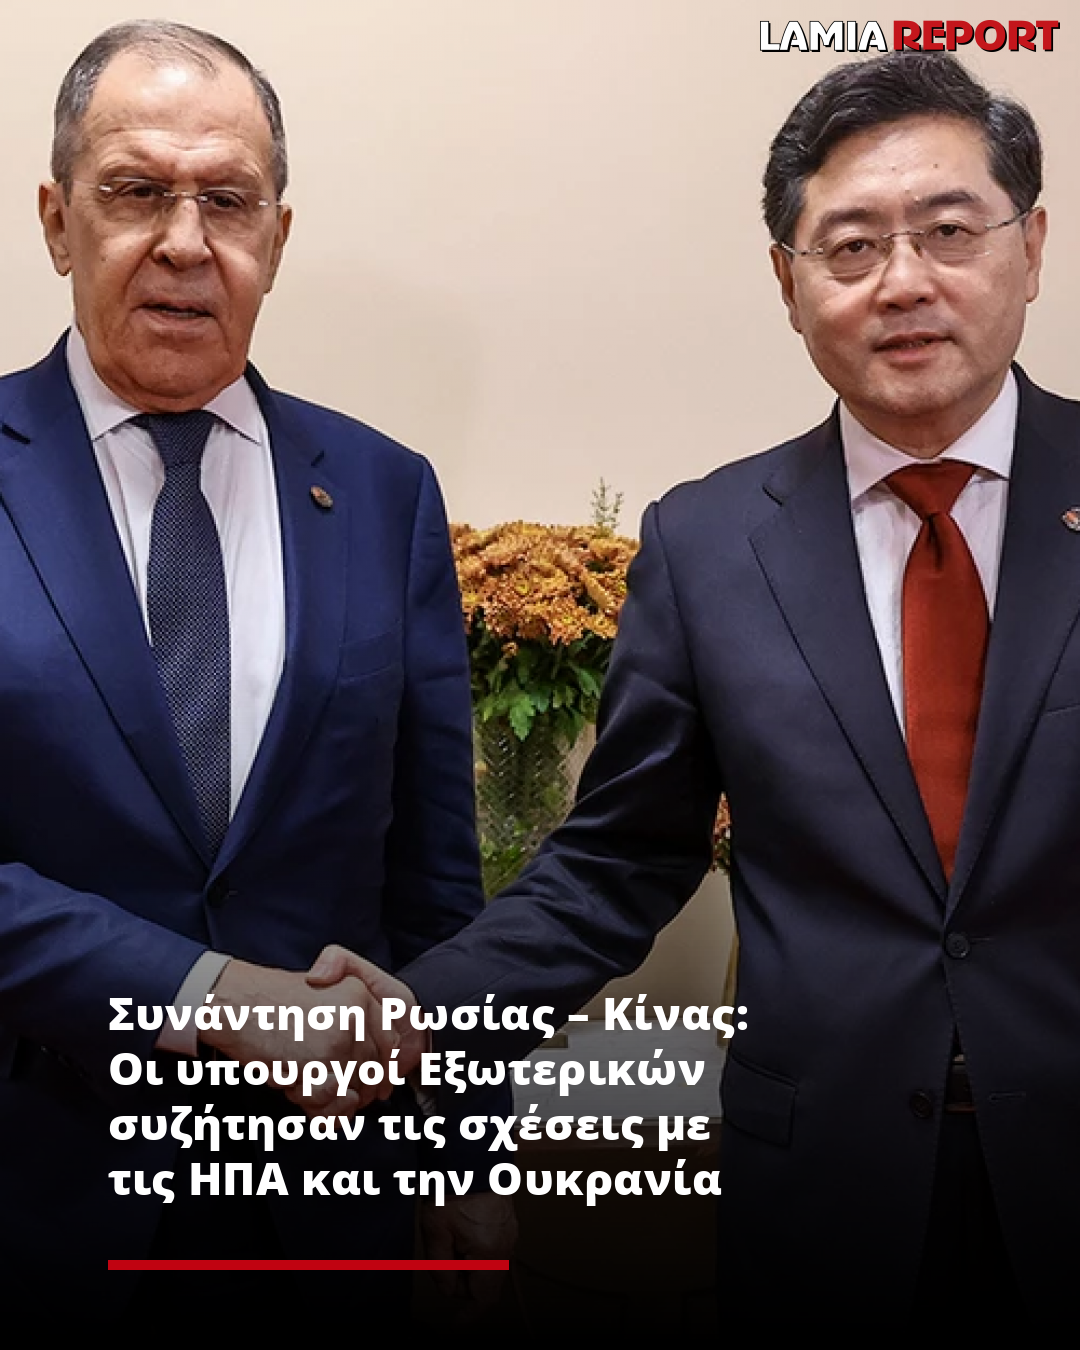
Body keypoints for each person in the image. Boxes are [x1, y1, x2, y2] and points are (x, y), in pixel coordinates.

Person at [365, 51, 1079, 1326]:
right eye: (850, 247)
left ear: (1030, 247)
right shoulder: (706, 545)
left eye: (948, 231)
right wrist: (415, 1019)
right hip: (826, 1199)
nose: (904, 280)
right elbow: (619, 861)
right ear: (789, 285)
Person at [0, 19, 512, 1320]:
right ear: (58, 221)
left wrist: (462, 1145)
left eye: (226, 201)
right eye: (136, 191)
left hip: (325, 1214)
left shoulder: (384, 491)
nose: (185, 242)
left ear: (276, 239)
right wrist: (206, 992)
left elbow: (433, 877)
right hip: (35, 1191)